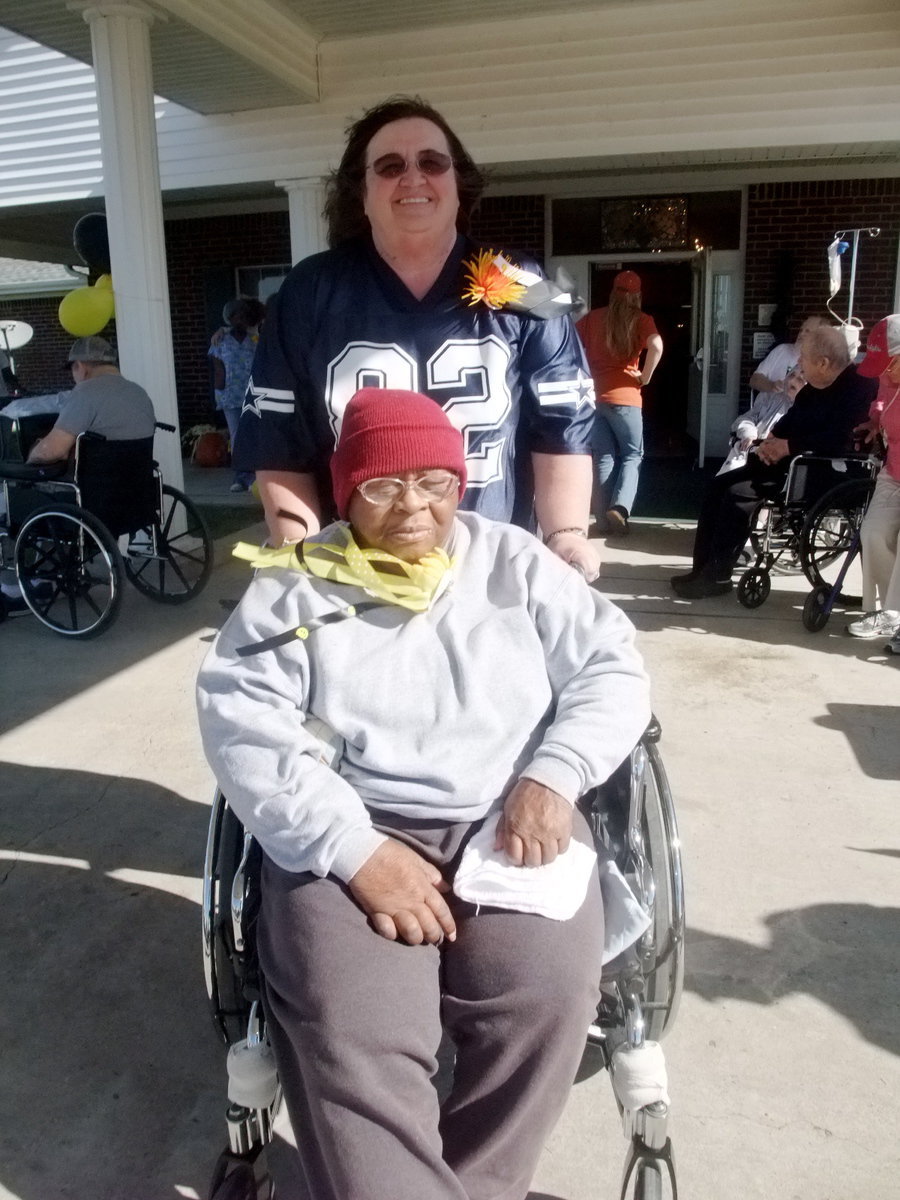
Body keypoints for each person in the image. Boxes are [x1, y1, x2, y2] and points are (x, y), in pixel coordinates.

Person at [197, 387, 650, 1200]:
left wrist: (556, 774)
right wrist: (352, 850)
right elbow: (241, 722)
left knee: (545, 996)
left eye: (434, 482)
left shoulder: (512, 561)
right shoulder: (297, 584)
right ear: (346, 492)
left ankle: (480, 1185)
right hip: (350, 825)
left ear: (459, 483)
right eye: (382, 486)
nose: (412, 506)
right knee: (357, 1027)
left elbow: (611, 665)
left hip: (507, 814)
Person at [232, 95, 601, 579]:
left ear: (458, 183)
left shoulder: (524, 285)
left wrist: (564, 537)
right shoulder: (309, 291)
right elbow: (278, 444)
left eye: (432, 162)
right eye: (388, 166)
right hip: (353, 570)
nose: (413, 177)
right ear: (360, 192)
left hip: (488, 572)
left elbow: (563, 428)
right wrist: (302, 556)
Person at [671, 324, 877, 599]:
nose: (799, 363)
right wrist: (771, 443)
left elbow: (843, 437)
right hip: (791, 462)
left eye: (803, 358)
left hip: (826, 470)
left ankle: (718, 576)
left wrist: (789, 446)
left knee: (738, 494)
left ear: (823, 363)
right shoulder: (813, 387)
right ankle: (703, 570)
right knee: (718, 485)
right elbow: (790, 422)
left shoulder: (859, 389)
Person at [575, 270, 663, 535]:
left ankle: (601, 520)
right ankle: (621, 507)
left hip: (594, 398)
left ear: (613, 292)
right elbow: (656, 345)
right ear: (637, 296)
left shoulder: (592, 319)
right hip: (626, 399)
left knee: (603, 457)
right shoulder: (642, 320)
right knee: (632, 455)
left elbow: (570, 345)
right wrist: (645, 377)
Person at [847, 314, 900, 647]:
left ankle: (895, 614)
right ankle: (882, 611)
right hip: (893, 472)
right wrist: (874, 420)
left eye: (888, 364)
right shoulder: (890, 376)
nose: (883, 371)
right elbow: (883, 400)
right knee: (873, 531)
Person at [26, 336, 156, 465]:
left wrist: (28, 462)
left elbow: (49, 452)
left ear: (79, 366)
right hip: (140, 482)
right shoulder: (139, 392)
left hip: (99, 482)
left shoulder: (84, 392)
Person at [208, 296, 266, 492]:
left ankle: (256, 475)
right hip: (230, 395)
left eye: (244, 316)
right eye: (236, 317)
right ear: (230, 318)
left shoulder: (255, 340)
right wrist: (219, 394)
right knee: (237, 436)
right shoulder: (220, 341)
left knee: (254, 434)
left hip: (253, 395)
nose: (240, 320)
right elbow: (218, 369)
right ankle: (241, 477)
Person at [717, 365, 806, 476]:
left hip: (774, 464)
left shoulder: (806, 412)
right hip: (748, 451)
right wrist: (749, 434)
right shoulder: (771, 396)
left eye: (800, 379)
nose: (792, 380)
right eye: (792, 374)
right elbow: (745, 418)